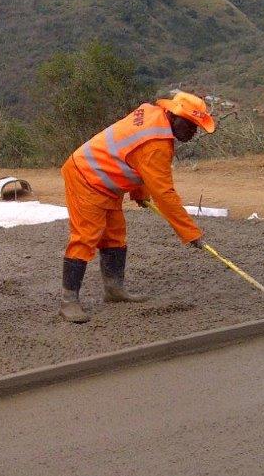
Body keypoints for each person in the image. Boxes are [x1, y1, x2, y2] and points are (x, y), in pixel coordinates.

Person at [60, 91, 216, 323]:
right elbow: (164, 194)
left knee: (114, 236)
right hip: (87, 177)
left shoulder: (152, 114)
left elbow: (135, 157)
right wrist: (190, 233)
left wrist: (139, 193)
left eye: (196, 127)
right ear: (173, 116)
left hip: (106, 181)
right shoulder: (156, 144)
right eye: (190, 124)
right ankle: (68, 301)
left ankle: (114, 290)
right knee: (86, 236)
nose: (193, 132)